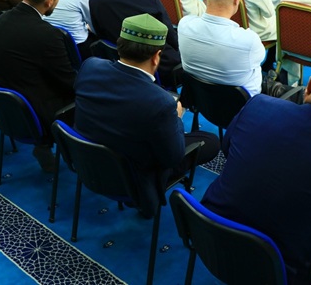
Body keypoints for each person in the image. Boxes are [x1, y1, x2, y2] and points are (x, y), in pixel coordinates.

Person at [202, 46, 311, 285]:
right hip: (281, 270)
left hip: (208, 233)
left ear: (310, 85)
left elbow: (227, 148)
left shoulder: (257, 105)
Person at [74, 14, 220, 218]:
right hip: (135, 180)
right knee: (211, 141)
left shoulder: (90, 66)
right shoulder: (160, 103)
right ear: (156, 56)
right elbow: (173, 157)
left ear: (120, 46)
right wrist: (176, 118)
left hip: (88, 163)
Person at [0, 0, 77, 171]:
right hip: (35, 113)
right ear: (50, 1)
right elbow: (68, 83)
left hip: (2, 107)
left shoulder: (1, 20)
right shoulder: (48, 35)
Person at [90, 0, 182, 86]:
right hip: (155, 61)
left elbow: (100, 32)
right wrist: (177, 50)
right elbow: (168, 31)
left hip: (119, 59)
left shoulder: (95, 1)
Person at [178, 0, 266, 96]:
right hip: (246, 105)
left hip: (201, 100)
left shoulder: (184, 26)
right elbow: (259, 59)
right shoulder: (248, 41)